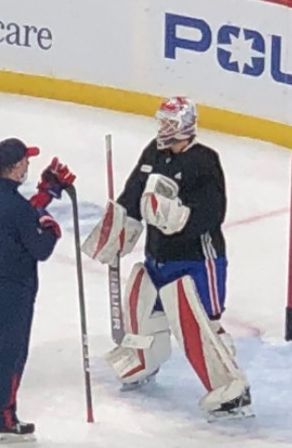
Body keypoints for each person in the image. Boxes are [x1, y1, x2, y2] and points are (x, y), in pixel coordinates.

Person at [82, 96, 252, 420]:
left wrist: (180, 217)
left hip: (197, 261)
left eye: (169, 123)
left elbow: (213, 213)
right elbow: (134, 193)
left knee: (202, 323)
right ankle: (143, 360)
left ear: (186, 126)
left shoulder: (204, 160)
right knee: (143, 301)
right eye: (161, 121)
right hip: (157, 257)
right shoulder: (154, 152)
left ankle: (232, 389)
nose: (163, 128)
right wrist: (119, 228)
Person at [0, 137, 76, 443]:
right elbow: (40, 247)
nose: (29, 164)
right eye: (26, 161)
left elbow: (18, 218)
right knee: (10, 354)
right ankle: (4, 419)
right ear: (16, 166)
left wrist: (43, 197)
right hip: (14, 292)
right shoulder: (18, 209)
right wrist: (51, 228)